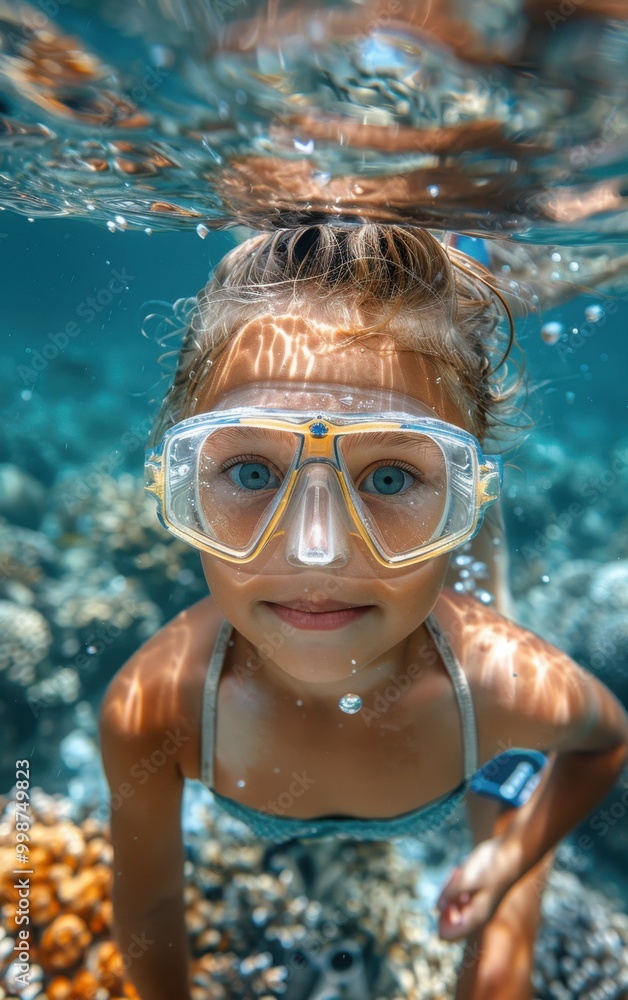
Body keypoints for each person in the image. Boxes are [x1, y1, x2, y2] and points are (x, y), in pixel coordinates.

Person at [99, 224, 628, 1000]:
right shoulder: (153, 712)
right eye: (251, 471)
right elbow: (149, 909)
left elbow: (604, 743)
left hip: (464, 676)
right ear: (174, 488)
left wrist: (509, 858)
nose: (316, 554)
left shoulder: (500, 689)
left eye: (388, 478)